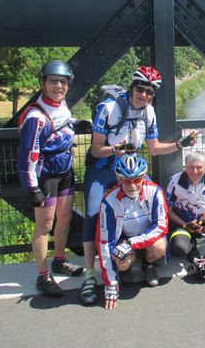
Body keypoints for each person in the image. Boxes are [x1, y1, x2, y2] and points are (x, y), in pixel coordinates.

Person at [80, 66, 195, 304]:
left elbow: (153, 148)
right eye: (140, 90)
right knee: (92, 215)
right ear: (132, 87)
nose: (144, 95)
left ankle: (147, 258)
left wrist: (180, 144)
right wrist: (115, 149)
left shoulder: (149, 113)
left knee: (156, 201)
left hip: (130, 170)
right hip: (102, 168)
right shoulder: (109, 109)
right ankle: (89, 275)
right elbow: (95, 149)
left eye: (149, 92)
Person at [17, 60, 84, 297]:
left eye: (63, 82)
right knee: (44, 226)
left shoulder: (61, 105)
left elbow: (63, 120)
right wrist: (32, 187)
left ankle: (59, 259)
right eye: (53, 81)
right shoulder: (36, 116)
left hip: (65, 170)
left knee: (64, 218)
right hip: (46, 176)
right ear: (43, 83)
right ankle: (43, 276)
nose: (59, 86)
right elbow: (28, 155)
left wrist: (77, 124)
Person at [96, 153, 168, 310]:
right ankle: (125, 269)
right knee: (121, 263)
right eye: (127, 181)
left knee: (160, 246)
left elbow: (161, 226)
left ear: (143, 177)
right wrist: (110, 284)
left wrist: (131, 243)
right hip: (124, 241)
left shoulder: (155, 192)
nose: (133, 185)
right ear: (119, 180)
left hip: (143, 239)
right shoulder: (108, 201)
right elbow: (104, 242)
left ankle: (148, 265)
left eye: (137, 180)